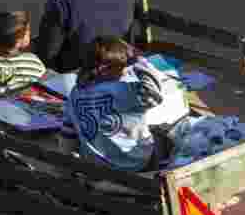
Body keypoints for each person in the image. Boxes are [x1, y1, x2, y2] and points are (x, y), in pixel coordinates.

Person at [63, 36, 187, 173]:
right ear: (106, 69)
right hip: (135, 163)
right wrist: (139, 61)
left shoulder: (75, 93)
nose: (126, 71)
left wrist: (69, 163)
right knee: (167, 139)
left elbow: (68, 131)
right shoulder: (123, 90)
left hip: (95, 164)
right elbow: (154, 95)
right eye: (124, 68)